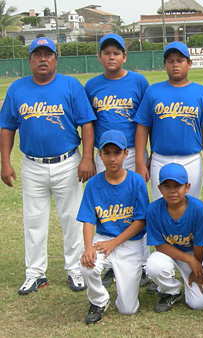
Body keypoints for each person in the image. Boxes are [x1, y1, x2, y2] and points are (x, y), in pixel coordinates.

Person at [0, 37, 96, 295]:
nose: (43, 59)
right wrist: (5, 162)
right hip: (32, 164)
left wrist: (87, 158)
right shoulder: (17, 89)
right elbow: (7, 127)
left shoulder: (70, 85)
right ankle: (34, 273)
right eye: (38, 55)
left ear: (55, 59)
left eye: (48, 54)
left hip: (67, 161)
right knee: (33, 220)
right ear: (30, 60)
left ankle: (75, 269)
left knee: (73, 219)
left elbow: (86, 123)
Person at [85, 33, 152, 289]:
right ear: (100, 57)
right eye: (107, 53)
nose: (111, 57)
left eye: (116, 53)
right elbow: (88, 124)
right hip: (106, 153)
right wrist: (91, 157)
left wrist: (143, 158)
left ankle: (143, 262)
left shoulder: (138, 81)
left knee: (138, 206)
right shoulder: (92, 85)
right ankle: (111, 263)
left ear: (124, 56)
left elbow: (145, 121)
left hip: (133, 152)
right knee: (108, 205)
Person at [77, 130, 149, 324]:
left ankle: (123, 286)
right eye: (106, 153)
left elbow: (141, 220)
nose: (112, 158)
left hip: (130, 242)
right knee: (87, 265)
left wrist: (114, 243)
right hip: (104, 239)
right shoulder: (93, 184)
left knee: (128, 309)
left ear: (126, 153)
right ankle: (99, 300)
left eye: (117, 152)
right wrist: (89, 248)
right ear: (99, 154)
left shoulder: (136, 181)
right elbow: (88, 220)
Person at [134, 41, 203, 201]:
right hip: (160, 159)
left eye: (180, 61)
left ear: (189, 64)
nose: (175, 65)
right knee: (160, 206)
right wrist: (140, 163)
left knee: (190, 207)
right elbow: (142, 128)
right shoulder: (153, 91)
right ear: (165, 64)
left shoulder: (201, 92)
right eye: (170, 61)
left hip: (191, 159)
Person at [145, 163, 203, 312]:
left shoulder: (198, 208)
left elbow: (200, 243)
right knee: (154, 266)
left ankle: (189, 284)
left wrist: (197, 264)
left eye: (177, 186)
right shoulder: (153, 210)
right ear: (159, 189)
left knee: (199, 304)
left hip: (195, 253)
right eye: (167, 186)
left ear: (187, 187)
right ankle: (171, 291)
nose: (172, 191)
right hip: (168, 253)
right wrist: (190, 261)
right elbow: (160, 245)